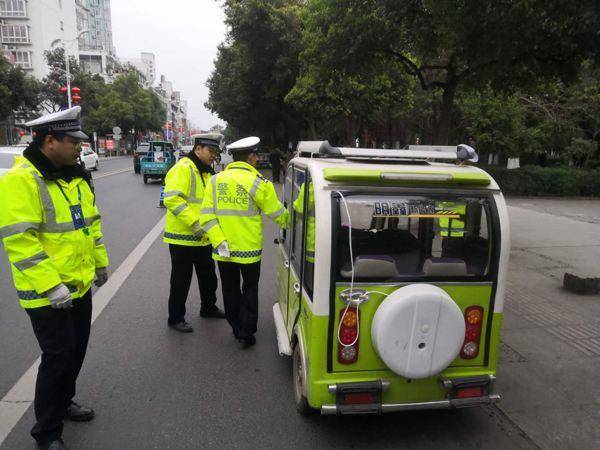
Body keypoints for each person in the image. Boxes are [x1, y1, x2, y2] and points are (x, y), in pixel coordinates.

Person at [0, 106, 109, 450]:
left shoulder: (73, 176)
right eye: (73, 141)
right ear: (50, 141)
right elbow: (20, 239)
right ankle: (46, 433)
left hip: (78, 284)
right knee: (58, 357)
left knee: (75, 352)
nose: (80, 148)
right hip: (47, 293)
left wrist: (100, 264)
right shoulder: (21, 180)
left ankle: (65, 402)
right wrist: (50, 283)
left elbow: (90, 224)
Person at [199, 136, 288, 348]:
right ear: (250, 157)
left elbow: (206, 216)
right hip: (249, 251)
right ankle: (247, 332)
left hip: (223, 251)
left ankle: (236, 327)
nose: (257, 159)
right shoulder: (259, 183)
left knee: (229, 290)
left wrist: (220, 241)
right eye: (255, 155)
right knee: (249, 289)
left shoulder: (215, 180)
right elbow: (279, 215)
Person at [163, 133, 226, 332]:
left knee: (208, 277)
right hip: (183, 238)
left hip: (203, 238)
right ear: (198, 149)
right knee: (181, 281)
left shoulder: (206, 172)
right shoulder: (184, 168)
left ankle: (208, 307)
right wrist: (196, 224)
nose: (213, 156)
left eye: (216, 152)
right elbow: (172, 199)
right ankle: (175, 318)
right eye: (210, 151)